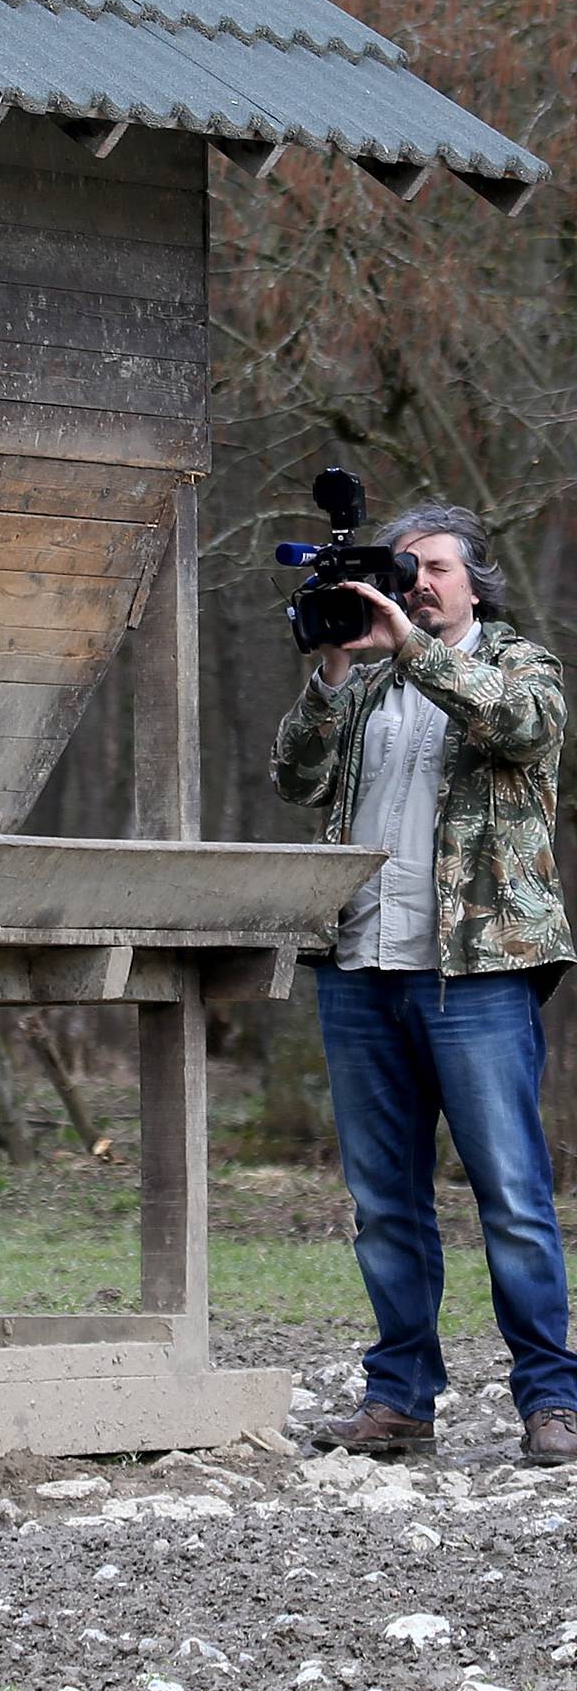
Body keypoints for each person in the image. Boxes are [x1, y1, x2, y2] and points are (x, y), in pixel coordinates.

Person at [271, 501, 577, 1463]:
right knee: (384, 1200)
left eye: (436, 567)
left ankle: (552, 1403)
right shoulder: (363, 686)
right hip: (360, 967)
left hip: (476, 971)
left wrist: (411, 648)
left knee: (512, 1196)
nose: (418, 583)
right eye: (404, 569)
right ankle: (399, 1397)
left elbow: (521, 730)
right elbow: (295, 777)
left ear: (474, 581)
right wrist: (332, 665)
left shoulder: (520, 665)